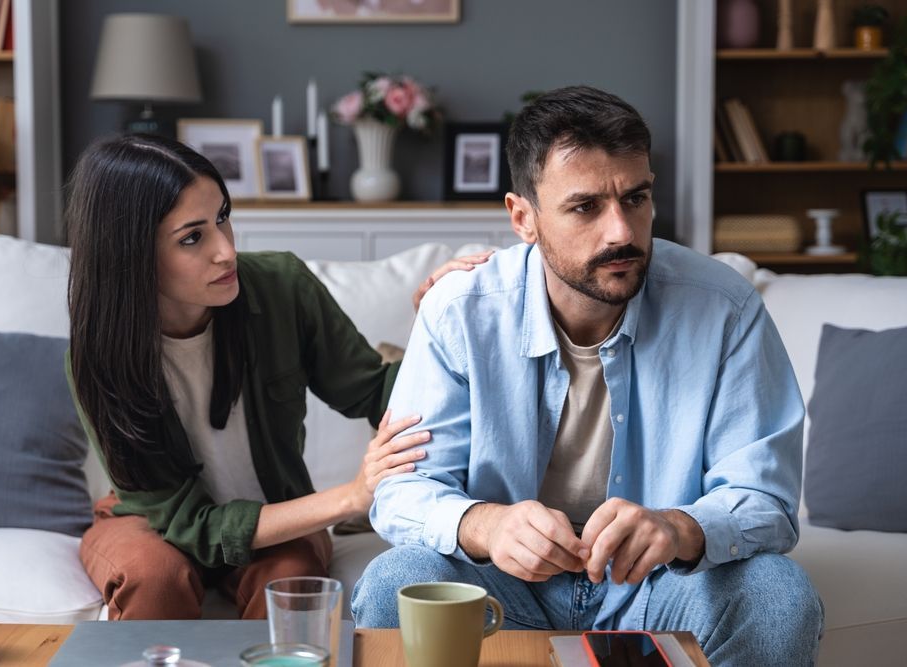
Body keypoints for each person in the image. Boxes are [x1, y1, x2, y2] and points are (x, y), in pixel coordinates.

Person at [352, 86, 824, 665]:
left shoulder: (725, 309)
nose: (622, 232)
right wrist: (487, 525)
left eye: (637, 198)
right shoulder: (459, 311)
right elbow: (404, 490)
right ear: (523, 217)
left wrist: (678, 528)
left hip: (661, 585)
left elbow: (766, 498)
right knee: (394, 580)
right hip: (504, 585)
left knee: (778, 593)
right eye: (586, 207)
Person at [65, 133, 488, 620]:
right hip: (152, 522)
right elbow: (192, 526)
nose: (225, 251)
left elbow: (375, 393)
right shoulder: (98, 359)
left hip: (278, 513)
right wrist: (351, 496)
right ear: (131, 255)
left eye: (222, 218)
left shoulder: (282, 287)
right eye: (192, 237)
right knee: (154, 578)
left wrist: (436, 322)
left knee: (289, 585)